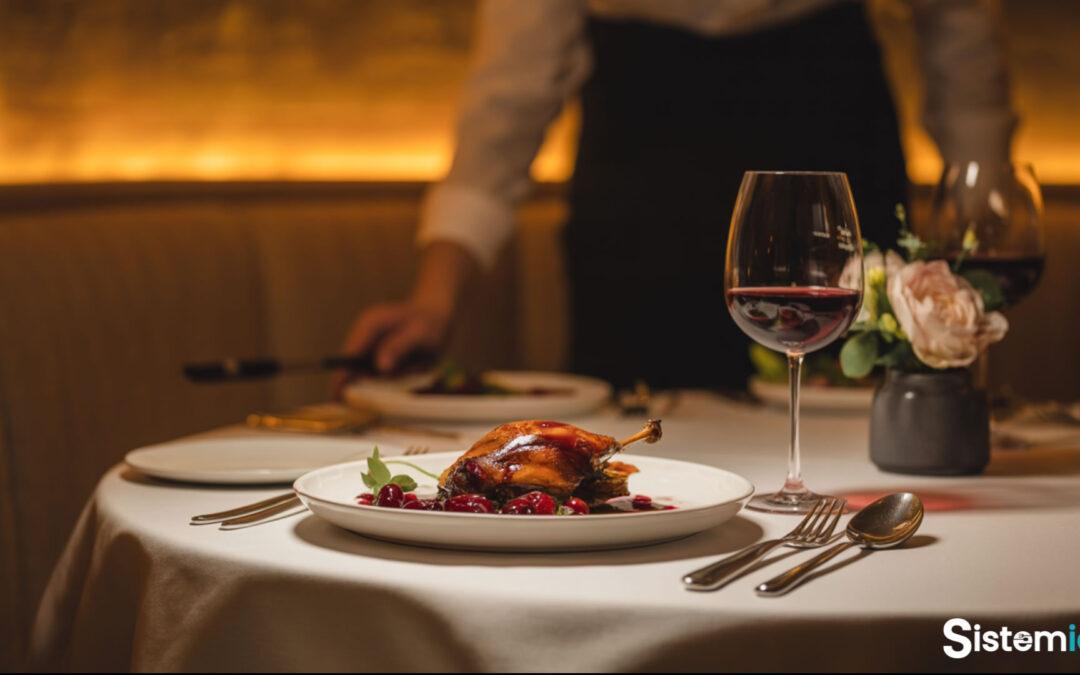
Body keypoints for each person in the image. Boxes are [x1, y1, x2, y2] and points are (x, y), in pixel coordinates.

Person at [341, 0, 1015, 390]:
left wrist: (980, 239)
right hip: (640, 163)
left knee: (855, 433)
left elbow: (961, 33)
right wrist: (433, 301)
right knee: (639, 451)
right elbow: (509, 95)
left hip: (826, 125)